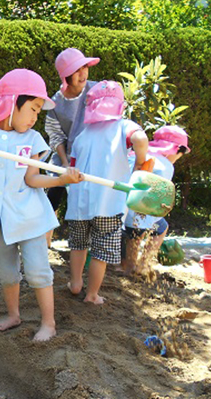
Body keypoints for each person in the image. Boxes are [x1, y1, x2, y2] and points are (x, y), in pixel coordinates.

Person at [0, 69, 83, 341]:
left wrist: (61, 179)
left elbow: (32, 178)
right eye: (33, 109)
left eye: (38, 111)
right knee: (6, 272)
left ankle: (48, 323)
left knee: (38, 271)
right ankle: (14, 314)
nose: (36, 116)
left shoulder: (31, 139)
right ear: (13, 102)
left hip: (29, 217)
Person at [65, 80, 149, 305]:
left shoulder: (83, 136)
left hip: (78, 202)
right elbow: (140, 138)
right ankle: (92, 294)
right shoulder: (123, 127)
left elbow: (72, 167)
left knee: (78, 244)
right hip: (108, 203)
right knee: (101, 250)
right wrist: (141, 163)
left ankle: (75, 283)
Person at [45, 48, 100, 247]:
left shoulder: (97, 92)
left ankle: (93, 244)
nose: (83, 73)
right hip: (66, 156)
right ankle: (46, 241)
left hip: (94, 156)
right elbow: (56, 134)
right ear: (66, 75)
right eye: (77, 70)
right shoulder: (56, 103)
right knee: (53, 194)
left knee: (93, 199)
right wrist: (67, 163)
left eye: (84, 67)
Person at [122, 125, 191, 276]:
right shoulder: (165, 165)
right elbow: (159, 195)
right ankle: (141, 265)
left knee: (134, 235)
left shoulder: (136, 154)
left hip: (119, 207)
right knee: (145, 232)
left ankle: (130, 267)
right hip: (140, 210)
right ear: (176, 150)